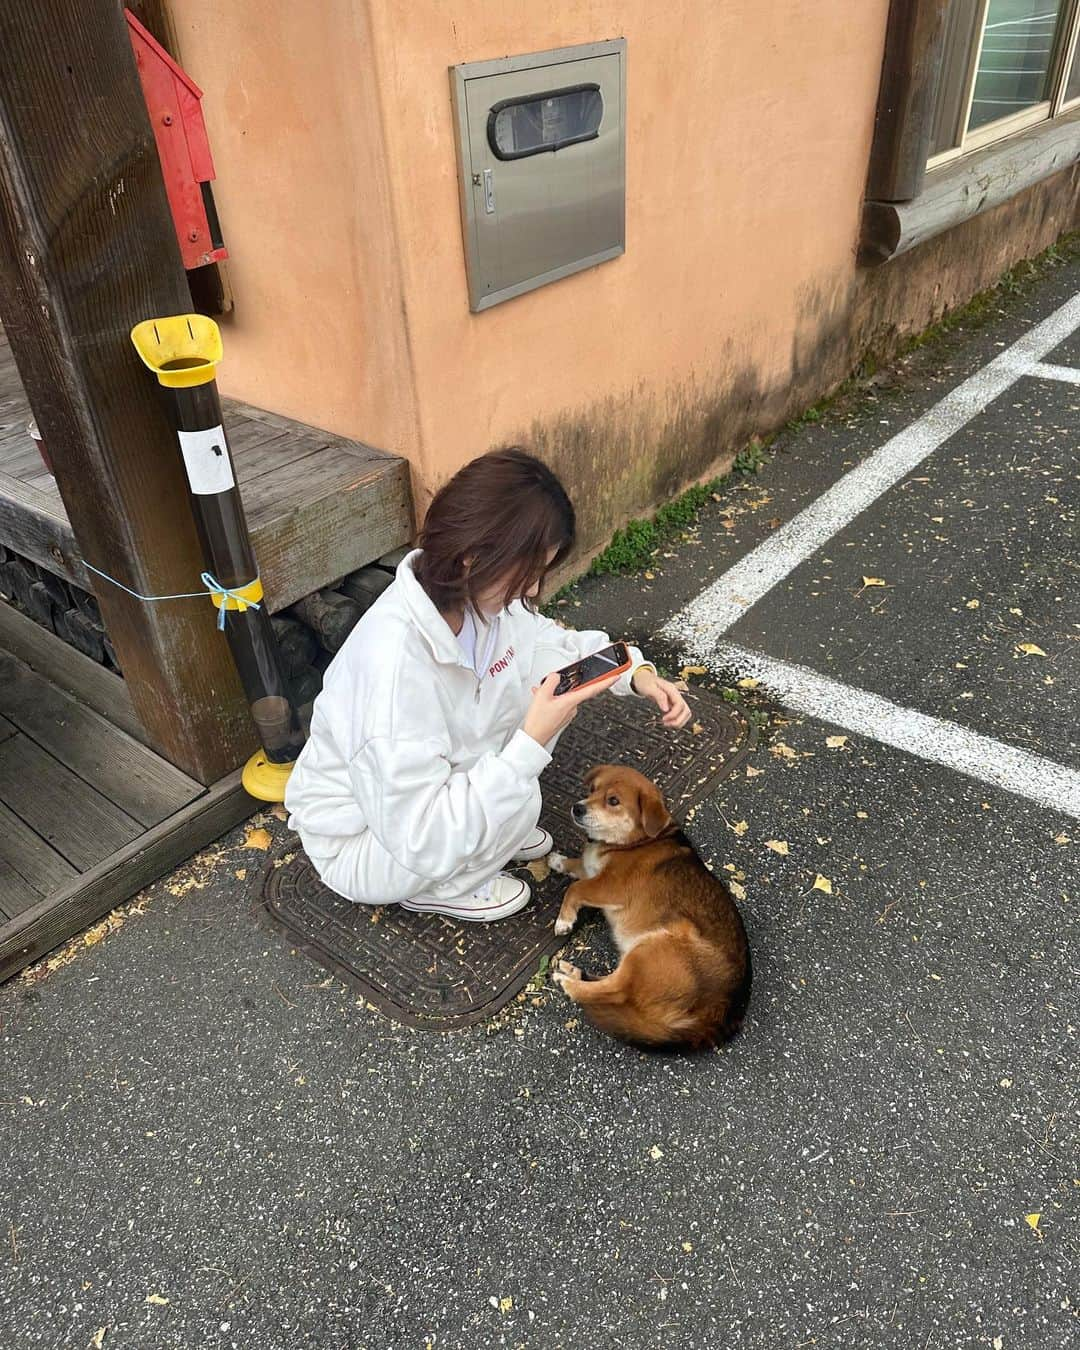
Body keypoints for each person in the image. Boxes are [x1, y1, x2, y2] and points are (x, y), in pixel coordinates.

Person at [285, 448, 692, 922]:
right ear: (472, 558)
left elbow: (548, 643)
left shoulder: (475, 599)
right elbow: (421, 836)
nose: (535, 590)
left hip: (424, 795)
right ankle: (444, 886)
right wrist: (529, 745)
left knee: (537, 714)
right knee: (522, 789)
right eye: (528, 573)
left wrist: (634, 672)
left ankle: (489, 830)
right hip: (369, 844)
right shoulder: (394, 671)